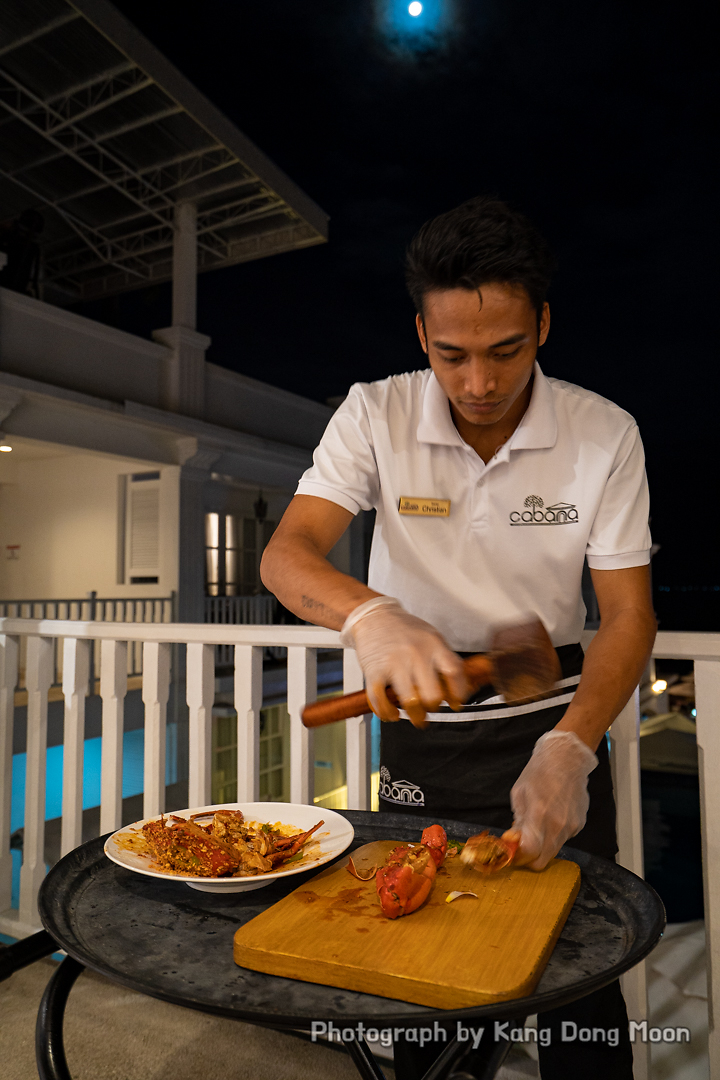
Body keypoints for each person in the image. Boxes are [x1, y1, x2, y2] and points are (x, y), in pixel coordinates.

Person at [260, 195, 657, 1078]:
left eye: (506, 350)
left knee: (582, 990)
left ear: (544, 324)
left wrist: (572, 750)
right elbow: (286, 557)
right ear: (421, 335)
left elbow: (628, 616)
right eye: (453, 355)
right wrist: (373, 616)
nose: (478, 382)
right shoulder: (375, 414)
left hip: (554, 718)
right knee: (426, 990)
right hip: (422, 730)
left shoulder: (604, 434)